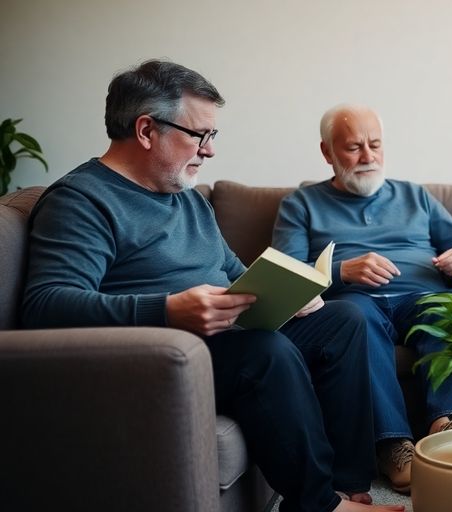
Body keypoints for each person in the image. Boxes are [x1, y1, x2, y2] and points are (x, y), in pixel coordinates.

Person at [20, 60, 403, 512]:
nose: (210, 150)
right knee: (266, 351)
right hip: (160, 354)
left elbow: (233, 270)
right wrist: (166, 309)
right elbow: (46, 305)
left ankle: (350, 487)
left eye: (212, 135)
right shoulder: (82, 201)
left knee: (344, 319)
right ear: (146, 130)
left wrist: (288, 293)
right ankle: (317, 505)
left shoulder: (187, 198)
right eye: (200, 135)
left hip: (224, 336)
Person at [272, 104, 452, 492]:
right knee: (355, 320)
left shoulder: (415, 196)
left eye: (374, 145)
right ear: (327, 152)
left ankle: (450, 428)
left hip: (423, 292)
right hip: (356, 299)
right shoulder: (301, 204)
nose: (368, 156)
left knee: (449, 310)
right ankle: (393, 446)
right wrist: (341, 271)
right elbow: (285, 274)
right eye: (353, 147)